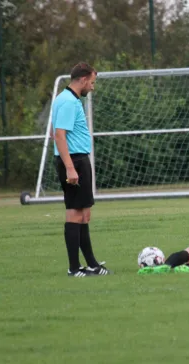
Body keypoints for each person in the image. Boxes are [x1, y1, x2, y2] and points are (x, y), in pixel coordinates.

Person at [52, 62, 110, 277]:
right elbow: (59, 135)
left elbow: (55, 132)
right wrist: (70, 168)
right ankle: (74, 268)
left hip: (77, 160)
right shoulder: (67, 101)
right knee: (75, 214)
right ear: (83, 79)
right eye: (92, 83)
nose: (93, 87)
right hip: (74, 161)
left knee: (84, 214)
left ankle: (92, 264)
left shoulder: (66, 99)